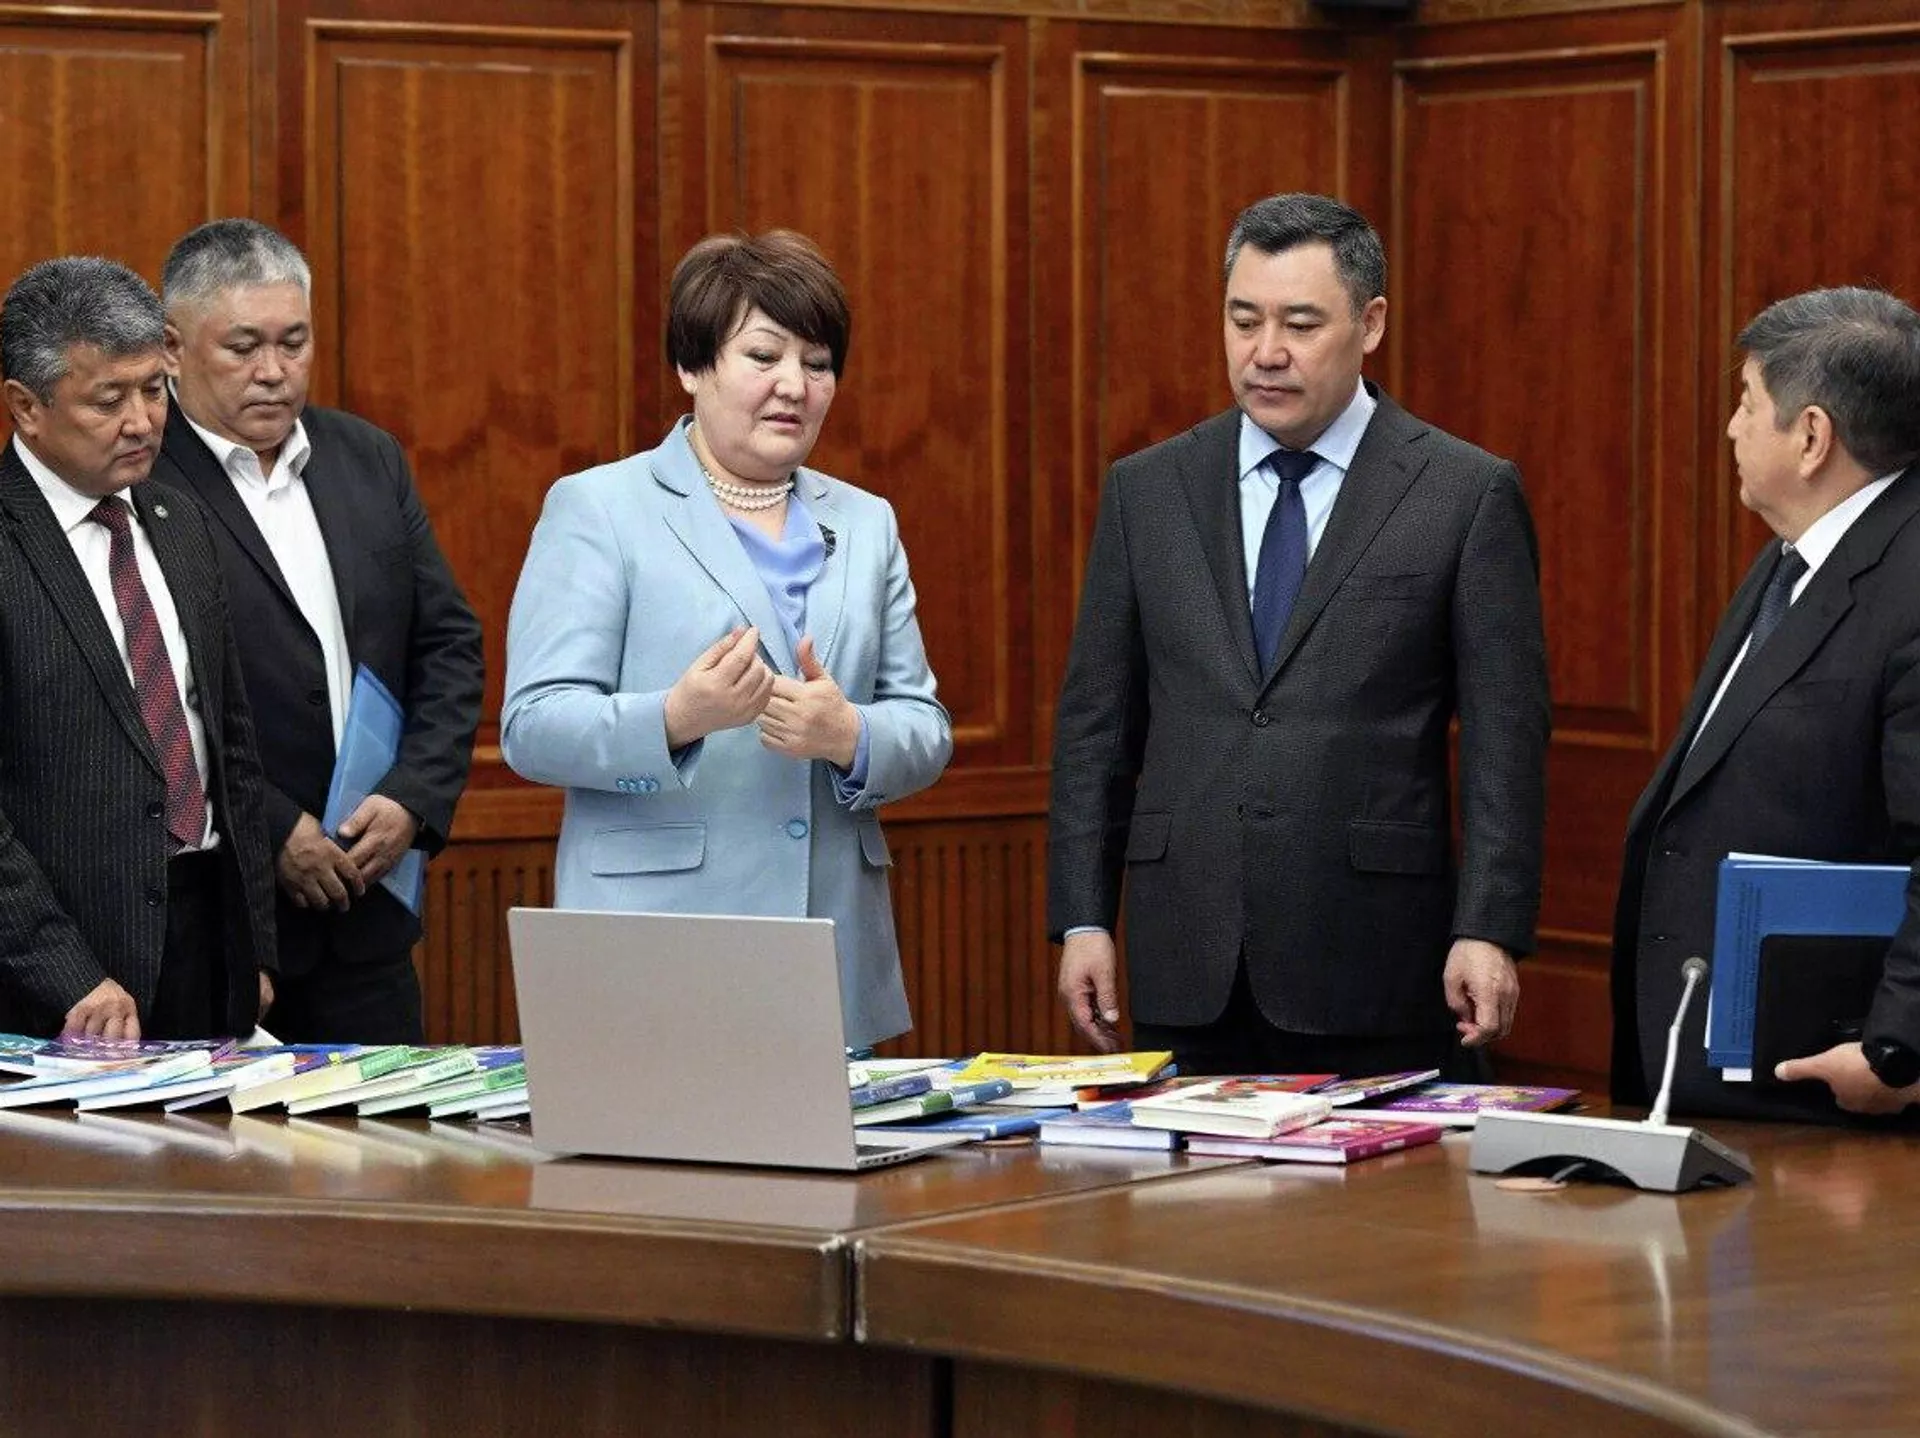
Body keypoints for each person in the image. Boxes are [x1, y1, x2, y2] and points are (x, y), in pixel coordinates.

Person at [1050, 193, 1550, 1078]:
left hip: (1375, 956)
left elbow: (1506, 738)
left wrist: (1489, 927)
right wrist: (1083, 916)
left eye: (1300, 324)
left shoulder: (1463, 493)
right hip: (1188, 952)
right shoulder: (1149, 490)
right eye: (1244, 320)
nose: (1266, 352)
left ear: (1370, 323)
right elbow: (1098, 726)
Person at [501, 230, 952, 1051]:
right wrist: (676, 718)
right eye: (764, 356)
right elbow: (532, 726)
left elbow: (924, 726)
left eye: (818, 363)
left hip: (828, 939)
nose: (795, 386)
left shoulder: (867, 521)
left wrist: (848, 735)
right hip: (656, 946)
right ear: (692, 364)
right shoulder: (599, 508)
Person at [151, 219, 484, 1044]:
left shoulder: (366, 457)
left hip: (368, 918)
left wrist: (412, 798)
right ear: (172, 348)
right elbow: (142, 696)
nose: (273, 371)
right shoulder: (140, 481)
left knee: (392, 1131)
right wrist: (269, 828)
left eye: (293, 342)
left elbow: (447, 645)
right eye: (243, 347)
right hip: (221, 931)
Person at [1613, 286, 1920, 1122]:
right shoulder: (1793, 558)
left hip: (1830, 1091)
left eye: (1748, 403)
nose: (1731, 428)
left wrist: (1896, 1049)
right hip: (1721, 1070)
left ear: (1812, 436)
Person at [0, 257, 276, 1038]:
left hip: (208, 941)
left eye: (153, 389)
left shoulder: (179, 521)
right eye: (108, 399)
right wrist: (68, 973)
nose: (142, 421)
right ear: (26, 407)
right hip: (62, 977)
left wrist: (253, 947)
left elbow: (233, 747)